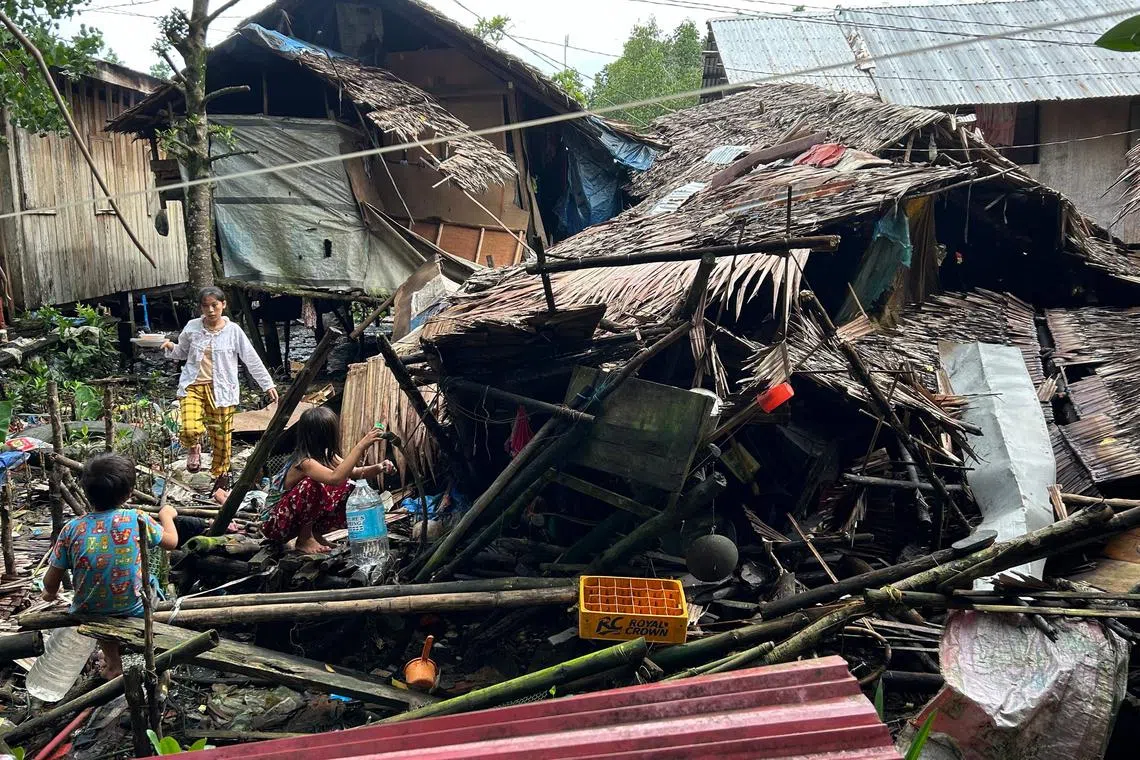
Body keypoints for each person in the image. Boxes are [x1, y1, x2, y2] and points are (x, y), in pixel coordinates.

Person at [42, 453, 178, 679]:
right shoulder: (136, 518)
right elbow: (172, 542)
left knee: (100, 598)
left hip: (88, 608)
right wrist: (167, 515)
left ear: (86, 492)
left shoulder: (72, 528)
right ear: (128, 493)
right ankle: (142, 646)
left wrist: (49, 593)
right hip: (134, 606)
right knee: (149, 582)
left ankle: (113, 662)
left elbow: (51, 578)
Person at [160, 287, 278, 493]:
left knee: (221, 438)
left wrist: (267, 384)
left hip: (222, 389)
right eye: (206, 306)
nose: (211, 310)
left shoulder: (233, 331)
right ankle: (194, 447)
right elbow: (182, 352)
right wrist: (171, 347)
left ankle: (220, 480)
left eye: (215, 305)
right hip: (193, 385)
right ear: (201, 308)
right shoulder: (192, 327)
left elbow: (251, 358)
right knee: (189, 427)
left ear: (223, 305)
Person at [262, 407, 395, 554]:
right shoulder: (304, 461)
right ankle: (304, 539)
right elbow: (335, 478)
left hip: (289, 521)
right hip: (274, 524)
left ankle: (316, 534)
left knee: (348, 485)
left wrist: (379, 467)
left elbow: (355, 472)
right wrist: (361, 445)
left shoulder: (325, 455)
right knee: (312, 485)